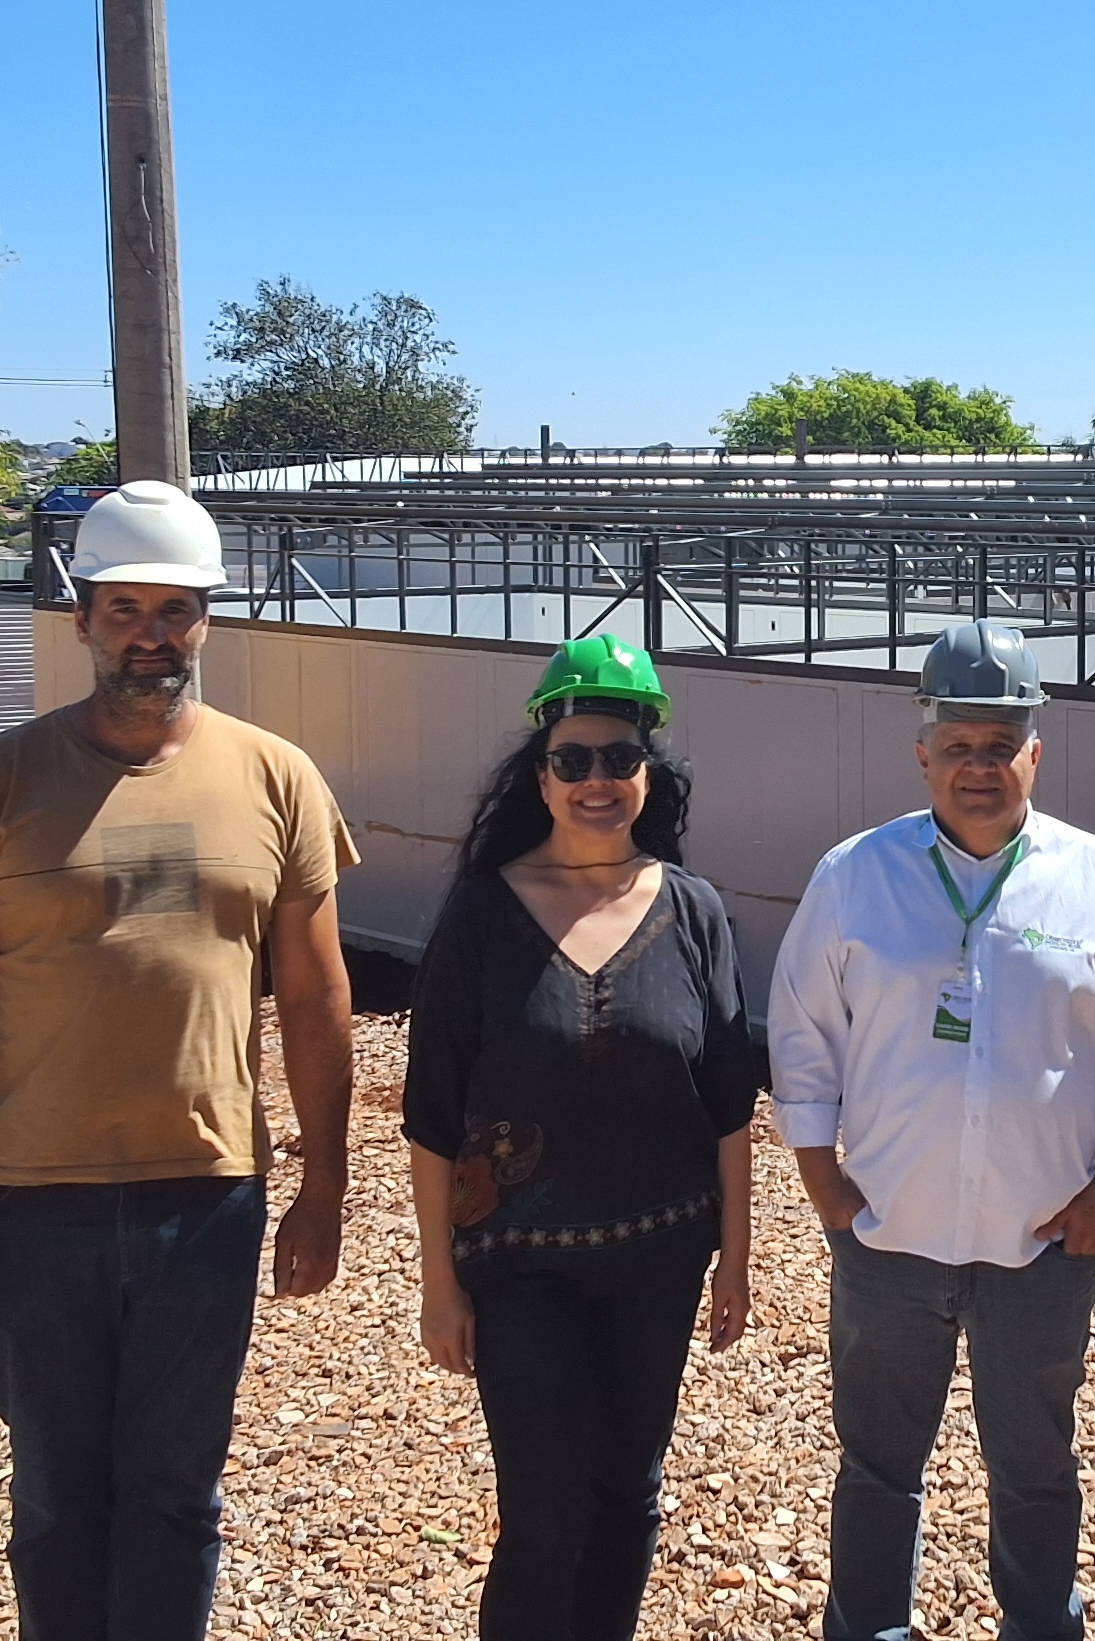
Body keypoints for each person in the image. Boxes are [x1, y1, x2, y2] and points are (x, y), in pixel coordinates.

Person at [0, 480, 358, 1641]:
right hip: (33, 1204)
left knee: (175, 1498)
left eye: (175, 610)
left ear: (207, 620)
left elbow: (315, 999)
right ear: (83, 618)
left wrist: (325, 1188)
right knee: (57, 1499)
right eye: (126, 608)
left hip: (206, 1196)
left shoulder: (277, 777)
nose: (152, 634)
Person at [766, 619, 1095, 1641]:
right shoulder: (855, 876)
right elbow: (803, 1034)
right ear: (923, 755)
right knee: (877, 1466)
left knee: (1036, 1466)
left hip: (1041, 1243)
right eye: (958, 745)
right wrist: (824, 1183)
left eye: (1002, 744)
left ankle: (1041, 1625)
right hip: (889, 1237)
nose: (980, 767)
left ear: (1037, 752)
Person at [402, 636, 761, 1641]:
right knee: (544, 1515)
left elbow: (730, 1102)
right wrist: (440, 1284)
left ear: (649, 773)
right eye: (573, 760)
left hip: (660, 1257)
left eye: (619, 758)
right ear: (542, 776)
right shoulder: (483, 914)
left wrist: (736, 1257)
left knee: (627, 1496)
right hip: (523, 1268)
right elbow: (431, 1116)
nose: (597, 780)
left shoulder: (693, 912)